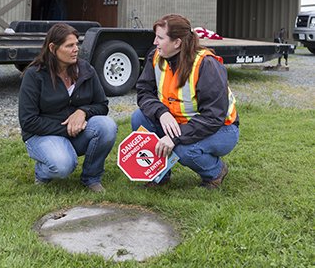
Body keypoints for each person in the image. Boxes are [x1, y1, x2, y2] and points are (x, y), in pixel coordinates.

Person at [132, 14, 239, 189]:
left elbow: (213, 117)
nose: (154, 42)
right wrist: (162, 112)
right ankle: (159, 174)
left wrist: (175, 137)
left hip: (222, 128)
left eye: (160, 38)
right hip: (178, 122)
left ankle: (216, 172)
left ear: (177, 42)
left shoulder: (207, 65)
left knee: (184, 150)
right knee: (139, 118)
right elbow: (144, 92)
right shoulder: (156, 57)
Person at [18, 23, 117, 192]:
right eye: (69, 45)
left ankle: (91, 178)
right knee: (64, 166)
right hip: (42, 135)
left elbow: (102, 105)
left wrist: (82, 112)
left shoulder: (86, 69)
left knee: (107, 126)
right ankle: (42, 172)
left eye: (76, 44)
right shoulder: (34, 75)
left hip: (75, 131)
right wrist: (68, 128)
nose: (76, 49)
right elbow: (28, 121)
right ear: (52, 48)